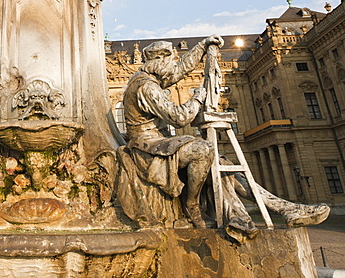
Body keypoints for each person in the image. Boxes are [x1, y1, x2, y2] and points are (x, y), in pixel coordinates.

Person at [116, 37, 328, 242]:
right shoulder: (147, 86)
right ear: (160, 61)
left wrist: (202, 46)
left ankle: (277, 211)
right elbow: (180, 118)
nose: (174, 64)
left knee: (224, 166)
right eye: (171, 59)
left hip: (161, 144)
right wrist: (198, 96)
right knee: (203, 150)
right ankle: (192, 205)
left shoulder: (152, 78)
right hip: (147, 146)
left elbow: (180, 70)